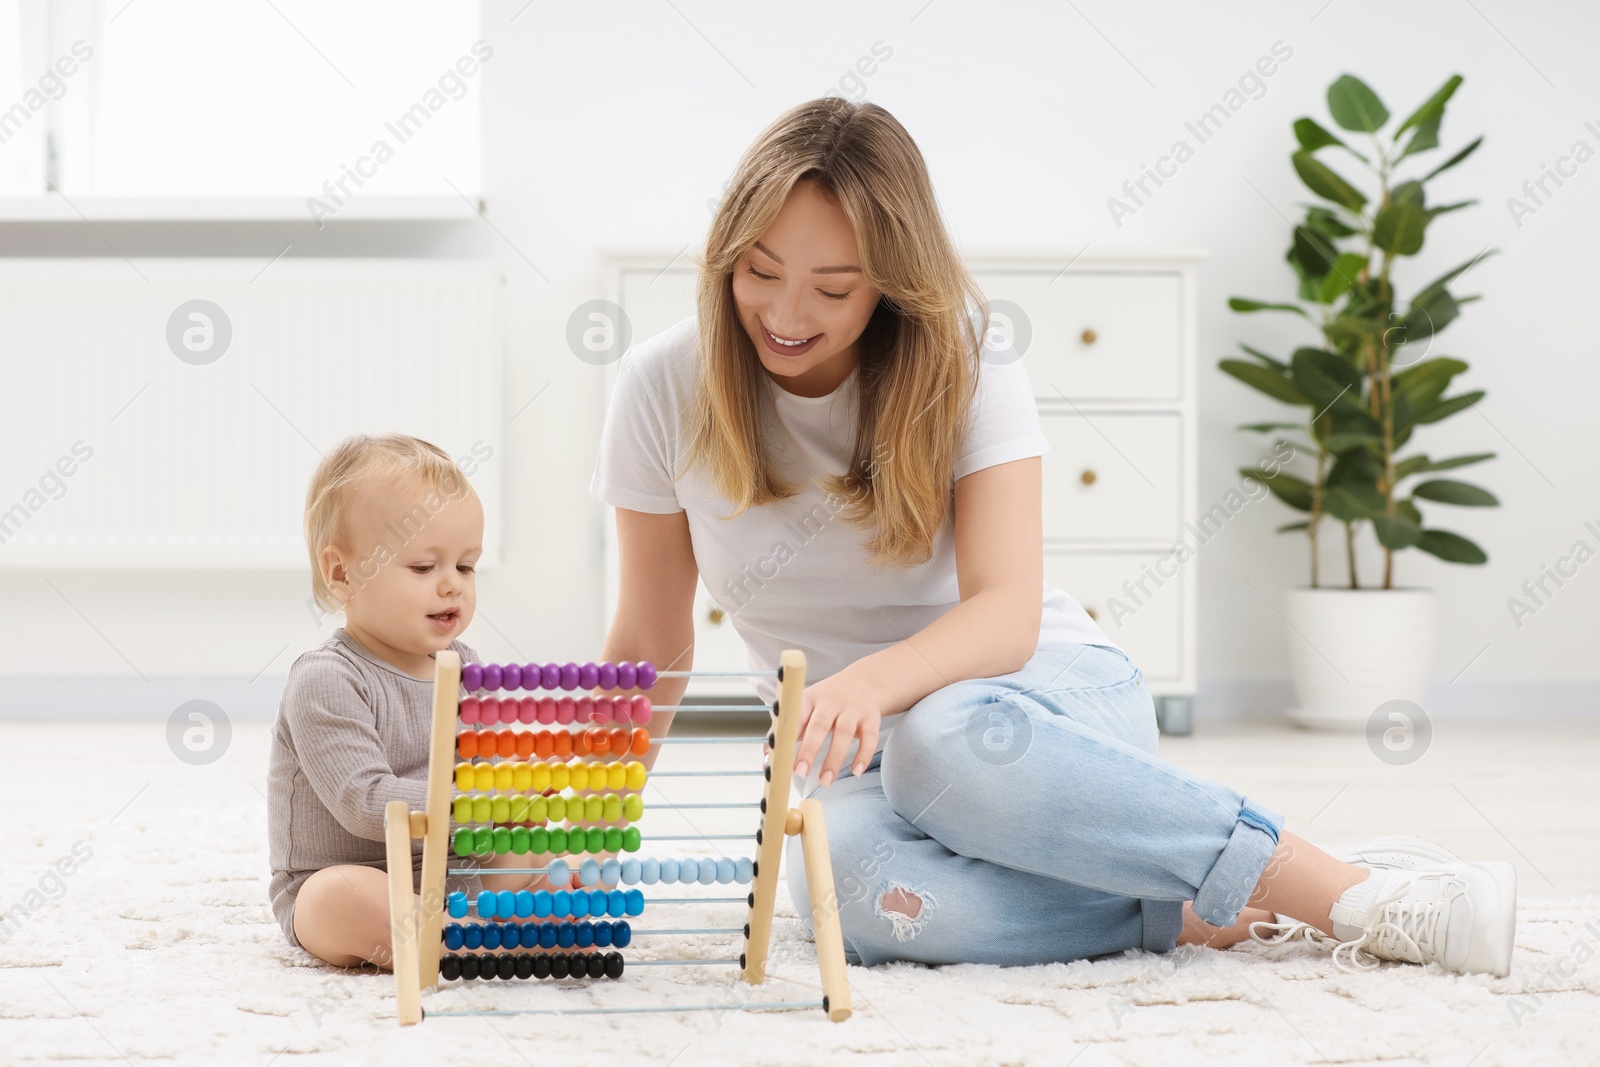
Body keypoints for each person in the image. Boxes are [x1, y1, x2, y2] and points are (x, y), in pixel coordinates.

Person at [589, 97, 1517, 976]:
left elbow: (1006, 614)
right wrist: (579, 836)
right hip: (859, 762)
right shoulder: (661, 385)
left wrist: (867, 684)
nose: (788, 318)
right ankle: (1197, 902)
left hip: (1036, 707)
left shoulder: (964, 357)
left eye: (833, 288)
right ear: (724, 260)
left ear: (892, 284)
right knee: (854, 899)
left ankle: (1351, 892)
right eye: (760, 273)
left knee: (937, 741)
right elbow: (651, 644)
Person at [266, 433, 536, 969]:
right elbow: (368, 804)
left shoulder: (468, 669)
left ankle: (482, 926)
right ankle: (466, 935)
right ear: (343, 574)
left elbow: (482, 772)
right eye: (423, 568)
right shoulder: (327, 679)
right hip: (358, 873)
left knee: (540, 853)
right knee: (335, 898)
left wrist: (519, 792)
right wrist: (482, 804)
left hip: (455, 869)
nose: (451, 587)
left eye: (465, 567)